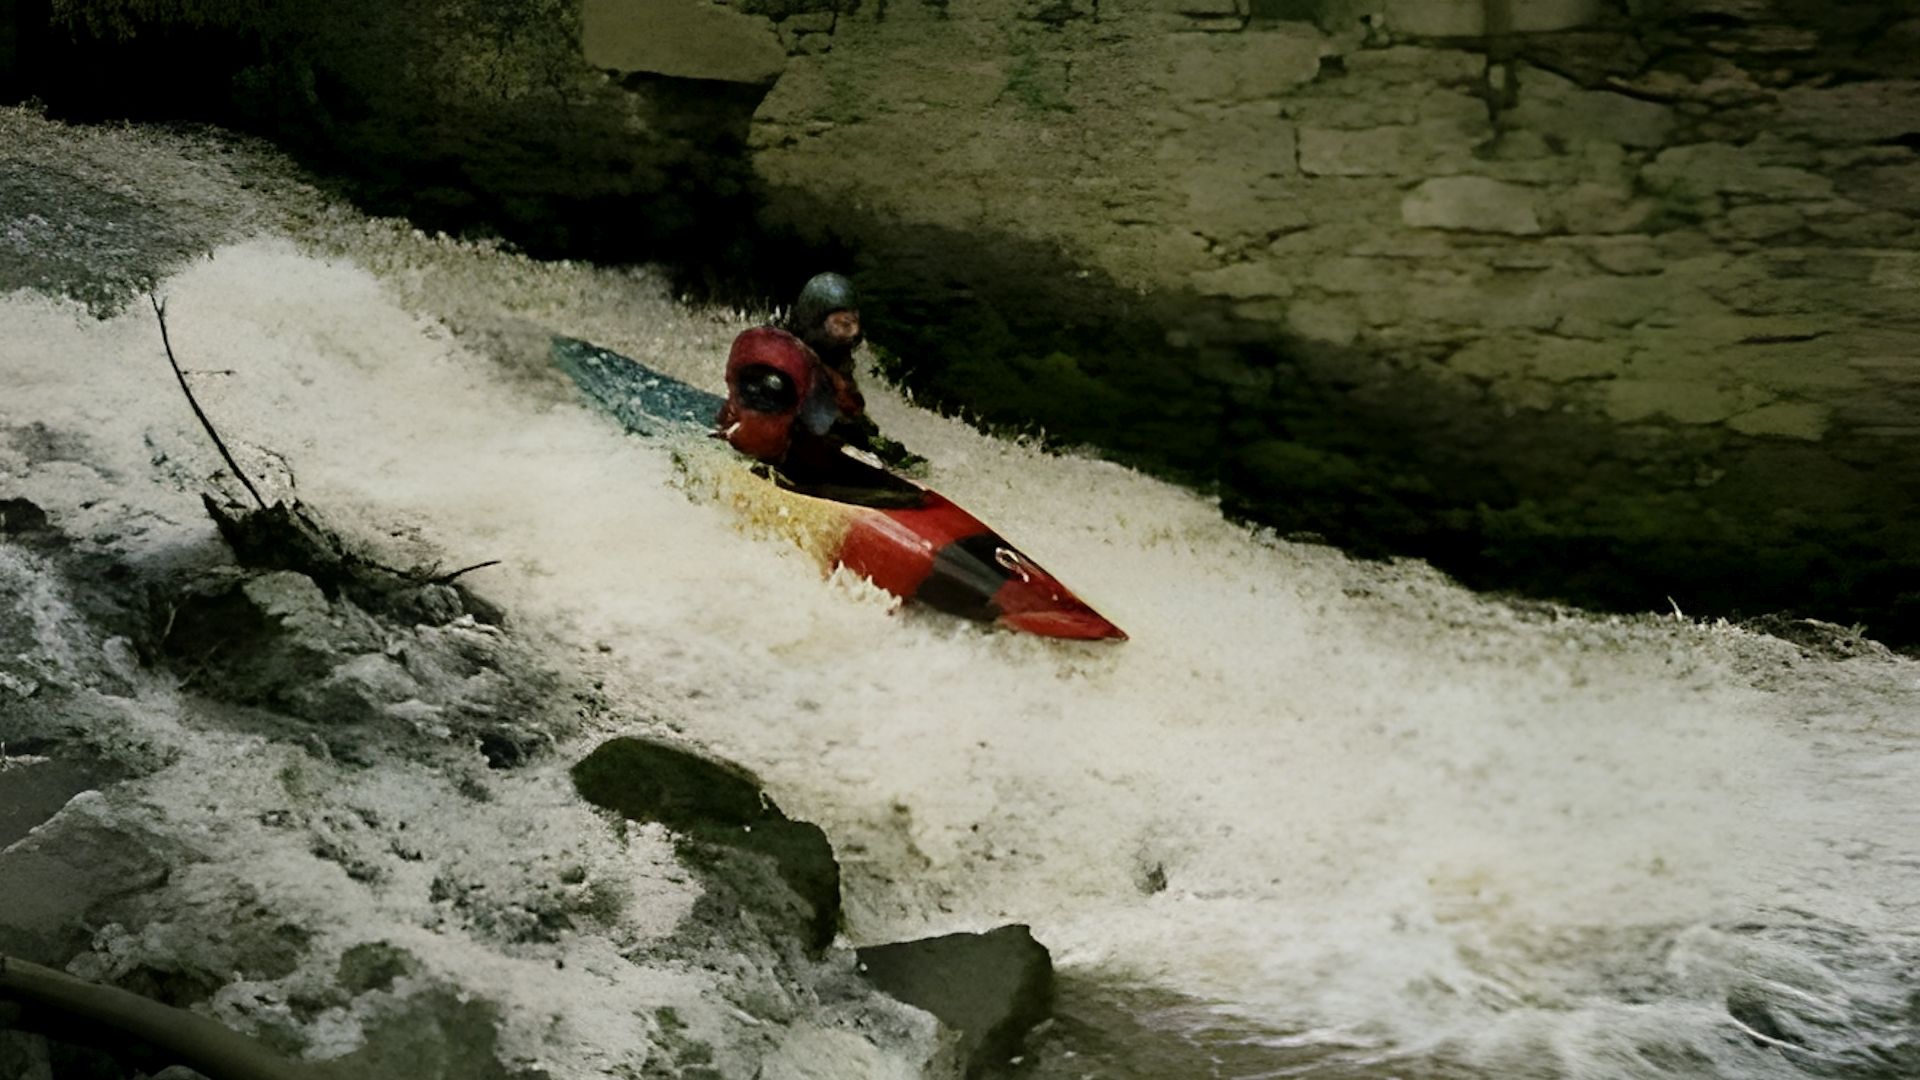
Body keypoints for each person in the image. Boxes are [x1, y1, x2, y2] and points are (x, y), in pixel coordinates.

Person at [782, 272, 924, 472]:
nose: (854, 332)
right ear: (816, 321)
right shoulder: (789, 353)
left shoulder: (836, 351)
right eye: (843, 324)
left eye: (854, 321)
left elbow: (848, 404)